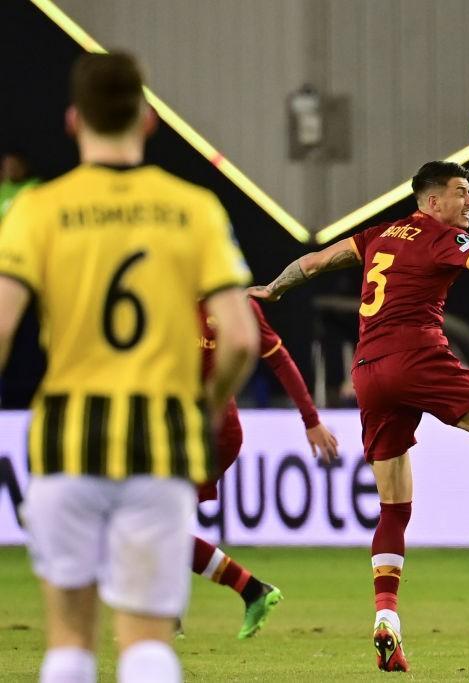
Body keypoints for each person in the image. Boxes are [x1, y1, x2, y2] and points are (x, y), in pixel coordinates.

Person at [250, 160, 469, 672]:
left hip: (368, 370)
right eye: (461, 193)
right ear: (432, 202)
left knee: (393, 507)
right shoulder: (441, 237)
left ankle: (386, 617)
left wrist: (273, 289)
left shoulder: (377, 235)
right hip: (418, 356)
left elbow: (316, 262)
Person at [0, 52, 258, 683]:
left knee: (68, 643)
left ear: (72, 120)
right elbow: (243, 340)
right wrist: (204, 407)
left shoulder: (37, 209)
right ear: (147, 121)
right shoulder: (193, 208)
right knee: (146, 642)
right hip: (160, 439)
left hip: (66, 437)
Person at [189, 296, 339, 639]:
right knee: (155, 529)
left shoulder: (233, 305)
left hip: (213, 433)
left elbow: (279, 360)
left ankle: (172, 617)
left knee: (151, 527)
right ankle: (249, 592)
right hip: (175, 429)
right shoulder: (164, 295)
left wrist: (311, 419)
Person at [0, 150, 41, 221]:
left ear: (24, 165)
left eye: (14, 165)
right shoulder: (3, 187)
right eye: (8, 166)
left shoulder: (35, 185)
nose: (11, 169)